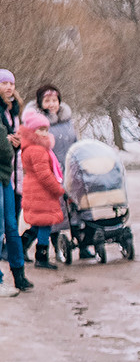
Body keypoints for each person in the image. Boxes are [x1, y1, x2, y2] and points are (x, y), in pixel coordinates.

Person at [18, 111, 65, 273]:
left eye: (46, 129)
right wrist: (58, 189)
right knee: (45, 225)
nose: (44, 133)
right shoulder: (37, 150)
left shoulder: (30, 147)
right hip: (41, 192)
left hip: (35, 191)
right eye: (40, 130)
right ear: (32, 131)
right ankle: (41, 257)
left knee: (37, 224)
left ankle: (21, 247)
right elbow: (44, 175)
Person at [0, 69, 26, 294]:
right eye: (4, 83)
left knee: (11, 224)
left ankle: (19, 274)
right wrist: (7, 141)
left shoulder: (14, 110)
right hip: (4, 170)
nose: (9, 87)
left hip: (11, 172)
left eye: (11, 83)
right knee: (2, 225)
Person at [24, 85, 77, 172]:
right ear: (40, 104)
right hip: (48, 172)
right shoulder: (35, 124)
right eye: (47, 101)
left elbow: (76, 144)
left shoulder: (67, 121)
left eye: (54, 100)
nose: (51, 104)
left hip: (70, 171)